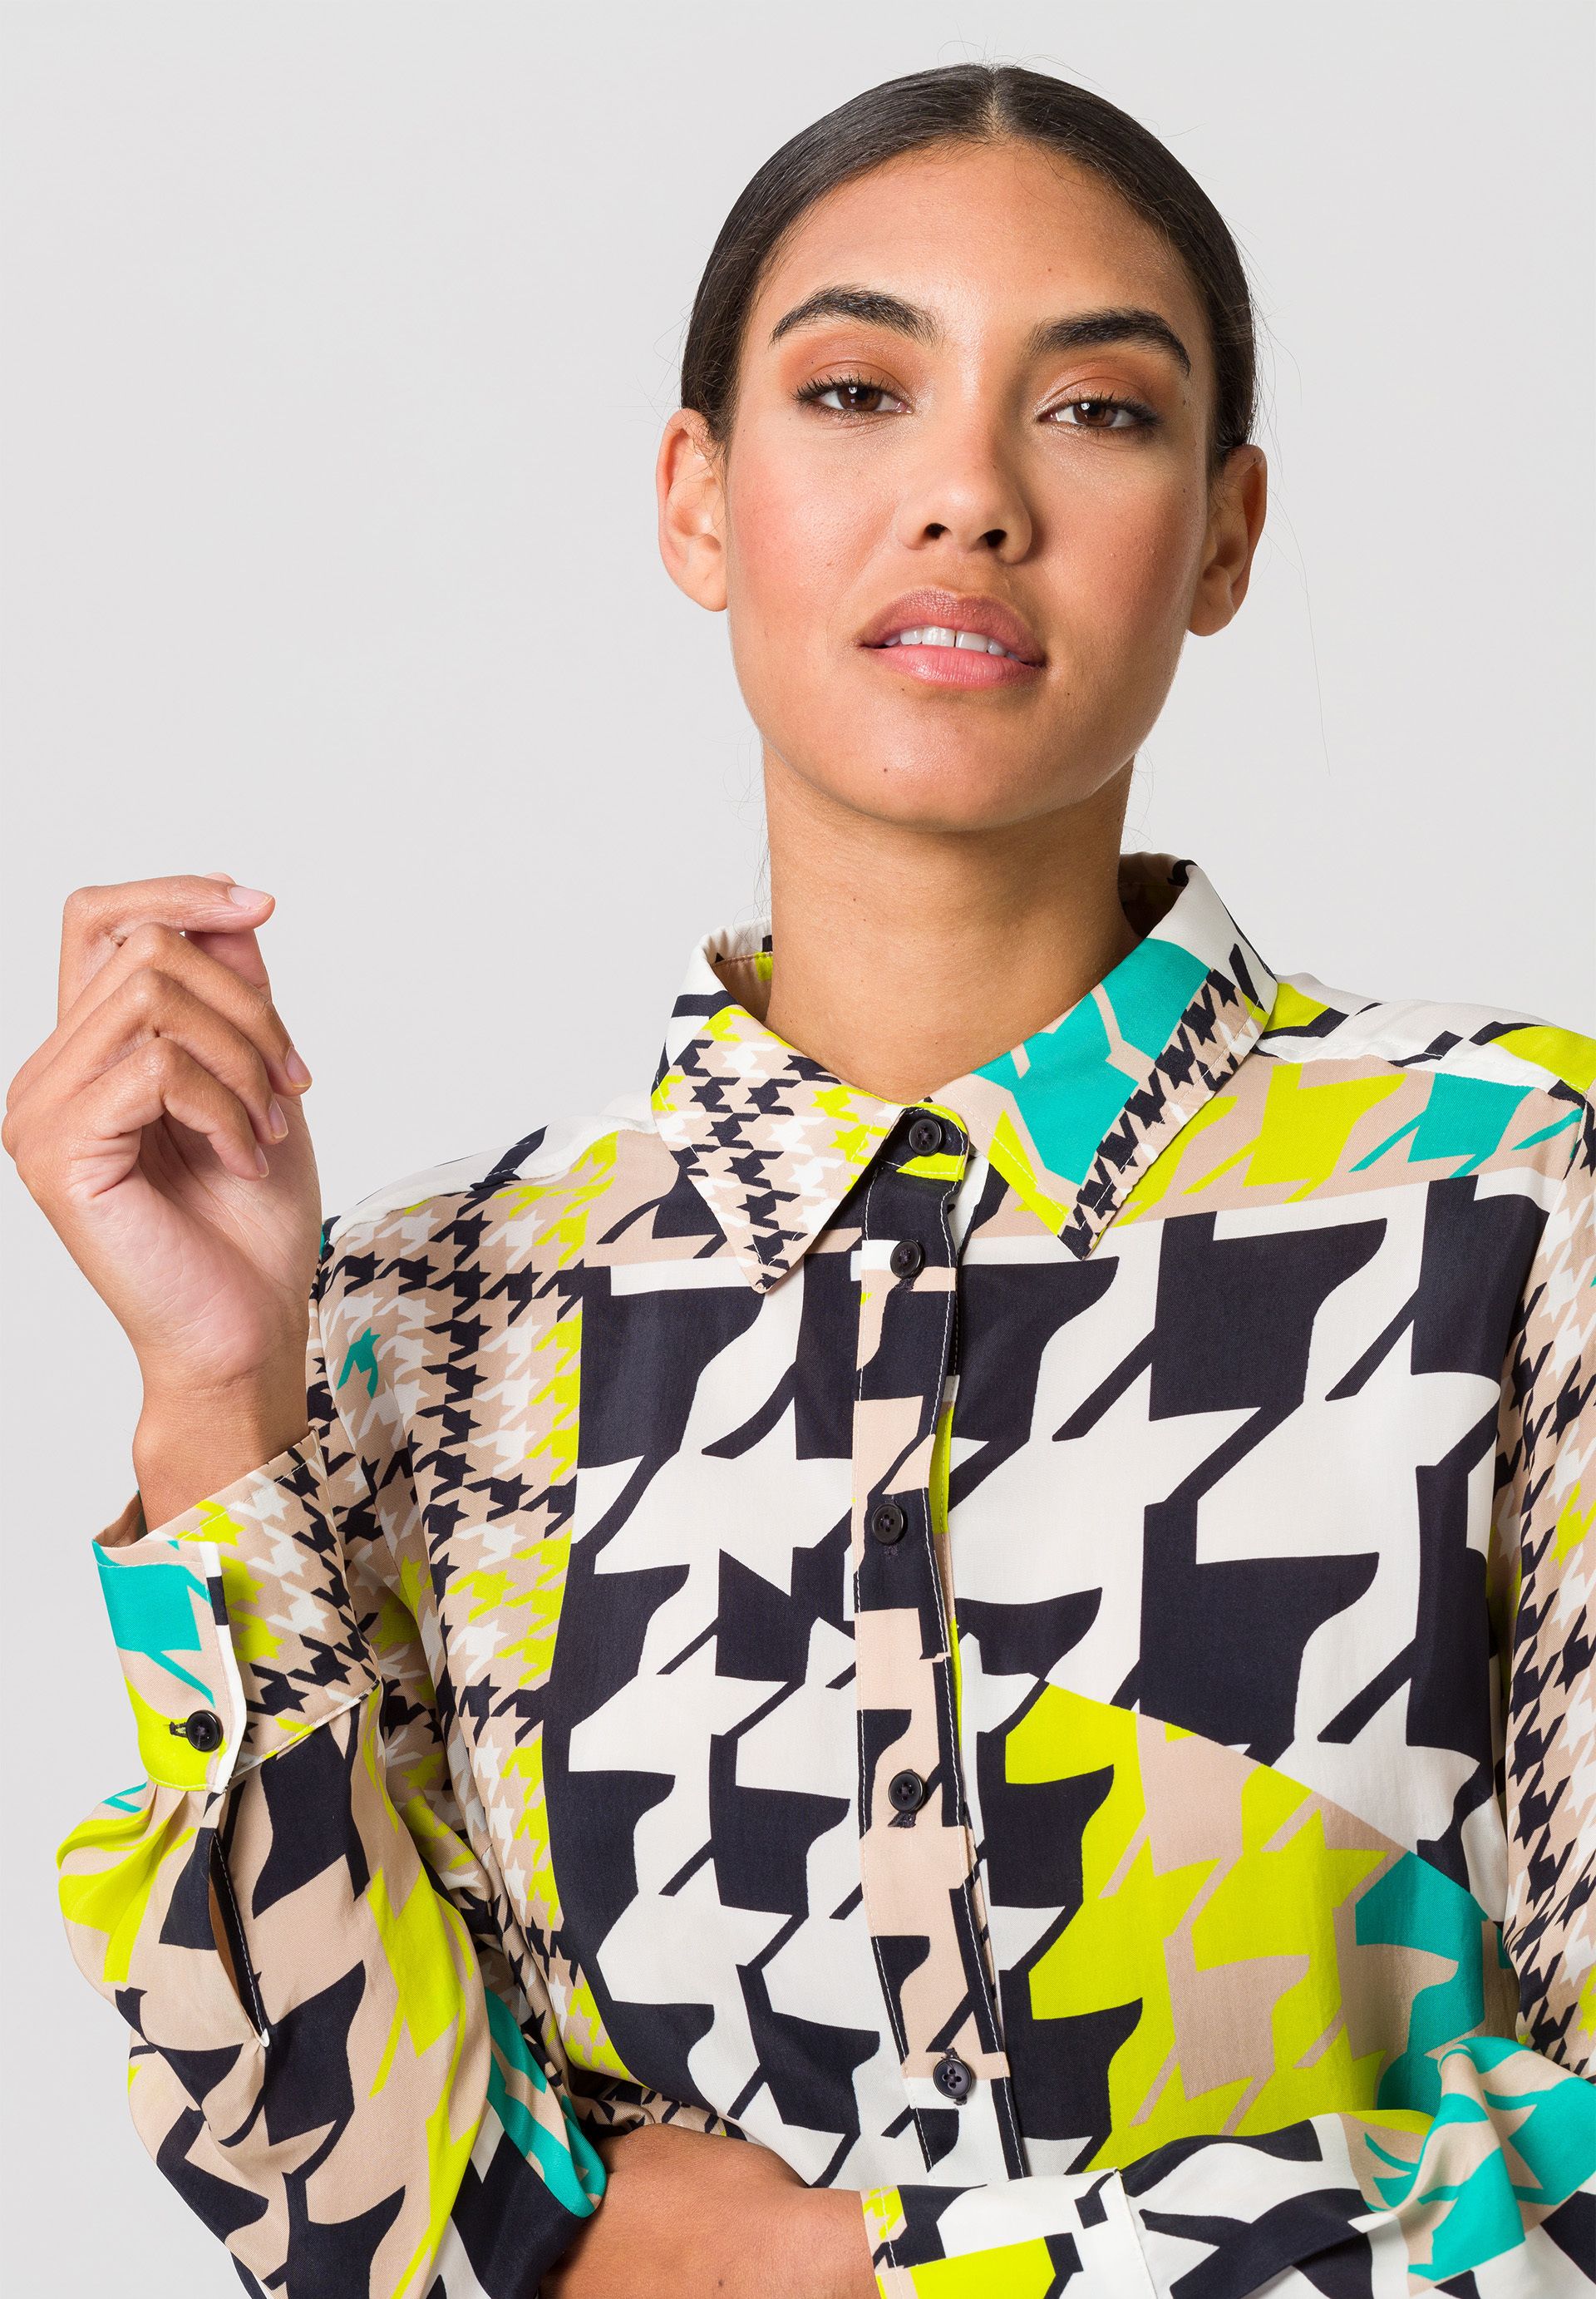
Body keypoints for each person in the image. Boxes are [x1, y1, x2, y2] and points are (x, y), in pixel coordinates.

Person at [7, 58, 1592, 2299]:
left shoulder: (1509, 1202)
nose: (968, 497)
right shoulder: (430, 1315)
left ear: (1227, 534)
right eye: (858, 391)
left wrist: (857, 2271)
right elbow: (350, 2206)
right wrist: (213, 1399)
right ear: (698, 500)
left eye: (1097, 411)